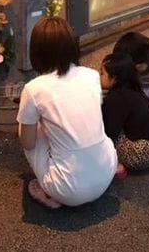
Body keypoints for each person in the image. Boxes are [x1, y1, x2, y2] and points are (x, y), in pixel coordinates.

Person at [17, 17, 117, 209]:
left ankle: (48, 193)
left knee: (29, 131)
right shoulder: (92, 75)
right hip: (107, 173)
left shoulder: (34, 88)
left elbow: (27, 143)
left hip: (67, 190)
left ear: (37, 52)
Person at [100, 52, 149, 175]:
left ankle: (116, 165)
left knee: (99, 133)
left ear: (114, 79)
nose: (99, 77)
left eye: (102, 73)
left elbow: (110, 132)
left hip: (140, 154)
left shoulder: (117, 98)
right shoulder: (134, 88)